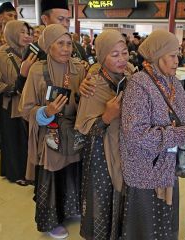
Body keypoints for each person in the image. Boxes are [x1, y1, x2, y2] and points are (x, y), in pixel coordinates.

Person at [120, 29, 185, 240]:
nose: (178, 60)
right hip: (144, 170)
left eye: (178, 55)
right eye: (173, 55)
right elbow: (136, 135)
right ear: (157, 56)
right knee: (145, 227)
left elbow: (184, 114)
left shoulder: (173, 81)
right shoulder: (138, 84)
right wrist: (182, 135)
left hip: (167, 167)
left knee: (164, 223)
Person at [19, 24, 86, 239]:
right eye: (60, 44)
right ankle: (51, 221)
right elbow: (25, 109)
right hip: (50, 132)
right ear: (48, 46)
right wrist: (46, 111)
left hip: (73, 131)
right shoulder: (38, 71)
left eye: (69, 44)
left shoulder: (78, 68)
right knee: (53, 173)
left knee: (72, 170)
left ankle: (70, 209)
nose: (66, 49)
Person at [75, 29, 131, 240]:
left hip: (123, 147)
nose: (122, 59)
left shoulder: (129, 75)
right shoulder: (94, 83)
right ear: (102, 56)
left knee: (121, 195)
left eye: (124, 52)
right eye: (114, 54)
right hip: (100, 152)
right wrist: (107, 117)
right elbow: (85, 129)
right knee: (101, 196)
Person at [0, 20, 32, 185]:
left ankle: (28, 172)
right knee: (14, 140)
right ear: (12, 33)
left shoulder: (28, 53)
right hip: (12, 106)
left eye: (27, 32)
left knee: (27, 140)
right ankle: (16, 174)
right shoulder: (1, 56)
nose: (26, 35)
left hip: (28, 105)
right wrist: (15, 87)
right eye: (22, 32)